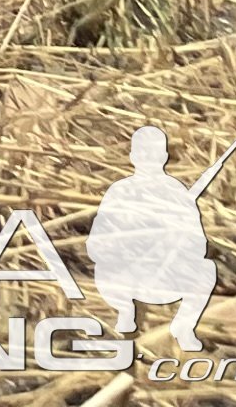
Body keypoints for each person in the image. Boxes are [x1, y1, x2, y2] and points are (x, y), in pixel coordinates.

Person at [88, 126, 220, 353]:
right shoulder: (119, 191)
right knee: (108, 272)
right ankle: (124, 314)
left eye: (155, 153)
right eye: (143, 153)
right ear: (132, 157)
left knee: (206, 269)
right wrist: (130, 245)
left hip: (164, 277)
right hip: (123, 277)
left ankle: (183, 327)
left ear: (164, 157)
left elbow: (198, 245)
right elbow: (95, 246)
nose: (149, 159)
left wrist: (175, 240)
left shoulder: (177, 192)